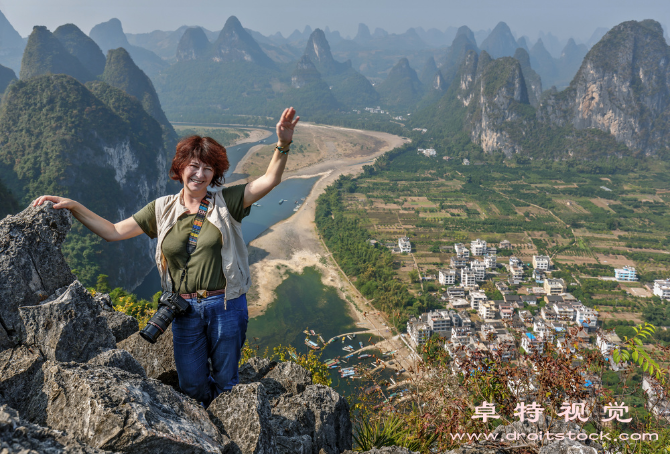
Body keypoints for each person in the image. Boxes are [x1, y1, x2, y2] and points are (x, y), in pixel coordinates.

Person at [33, 107, 300, 407]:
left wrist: (283, 143)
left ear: (215, 174)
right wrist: (73, 206)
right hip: (183, 309)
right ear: (181, 167)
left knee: (227, 383)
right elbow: (113, 231)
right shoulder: (161, 209)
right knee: (191, 384)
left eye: (208, 169)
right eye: (195, 166)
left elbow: (270, 180)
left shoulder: (228, 203)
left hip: (225, 305)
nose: (200, 175)